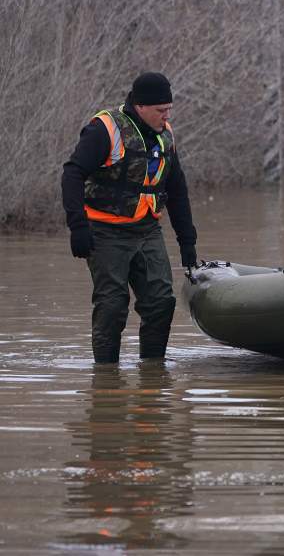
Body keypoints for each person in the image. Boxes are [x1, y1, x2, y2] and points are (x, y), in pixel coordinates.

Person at [61, 73, 197, 364]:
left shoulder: (166, 135)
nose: (167, 115)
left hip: (146, 230)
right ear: (140, 106)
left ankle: (153, 373)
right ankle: (106, 379)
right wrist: (78, 226)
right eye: (161, 110)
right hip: (105, 231)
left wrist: (187, 241)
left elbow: (177, 188)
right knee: (112, 305)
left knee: (161, 302)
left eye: (169, 109)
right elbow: (72, 173)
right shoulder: (105, 130)